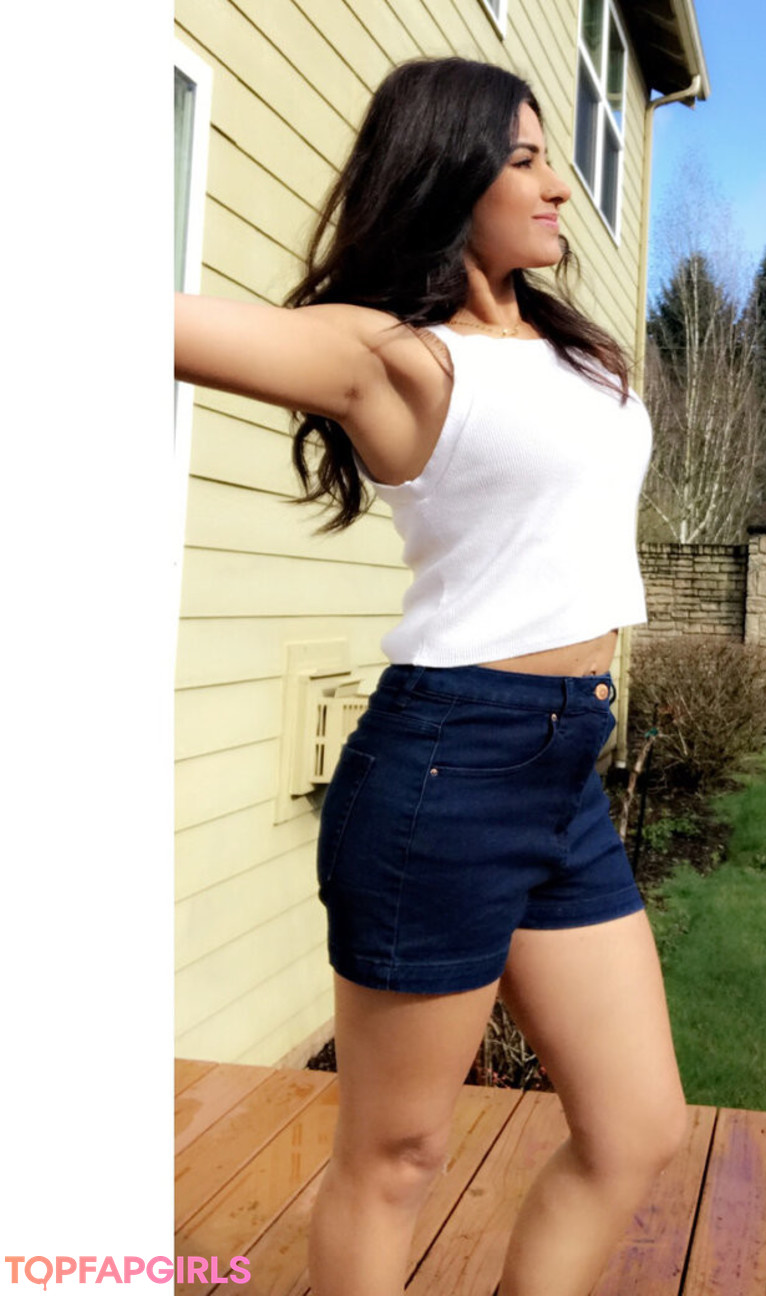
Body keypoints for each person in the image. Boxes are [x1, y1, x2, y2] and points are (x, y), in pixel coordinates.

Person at [174, 56, 687, 1296]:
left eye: (553, 157)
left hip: (564, 767)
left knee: (638, 1128)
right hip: (448, 768)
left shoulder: (568, 349)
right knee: (396, 1155)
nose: (559, 187)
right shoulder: (391, 355)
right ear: (449, 175)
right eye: (525, 161)